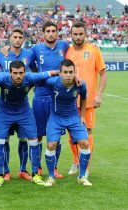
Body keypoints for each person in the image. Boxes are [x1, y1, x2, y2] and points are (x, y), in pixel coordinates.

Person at [1, 21, 69, 178]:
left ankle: (55, 167)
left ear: (57, 33)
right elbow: (24, 62)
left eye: (53, 31)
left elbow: (79, 51)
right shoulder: (35, 50)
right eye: (48, 31)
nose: (51, 33)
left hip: (59, 97)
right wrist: (4, 48)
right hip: (40, 96)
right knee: (37, 134)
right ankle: (37, 167)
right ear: (43, 33)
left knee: (56, 136)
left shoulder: (65, 46)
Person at [0, 60, 58, 187]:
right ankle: (0, 175)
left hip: (24, 112)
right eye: (15, 73)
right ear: (10, 72)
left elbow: (50, 73)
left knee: (34, 141)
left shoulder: (30, 78)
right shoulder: (2, 78)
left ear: (25, 72)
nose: (18, 76)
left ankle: (35, 174)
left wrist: (71, 75)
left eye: (21, 73)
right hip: (4, 112)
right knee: (0, 142)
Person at [66, 22, 107, 176]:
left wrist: (99, 94)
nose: (78, 37)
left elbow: (103, 74)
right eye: (75, 34)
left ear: (85, 34)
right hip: (70, 100)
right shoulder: (67, 51)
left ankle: (86, 168)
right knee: (71, 133)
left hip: (88, 101)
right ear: (71, 34)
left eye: (80, 34)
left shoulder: (94, 50)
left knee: (86, 132)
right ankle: (76, 161)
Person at [43, 59, 92, 187]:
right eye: (65, 72)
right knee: (51, 145)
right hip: (56, 117)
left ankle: (82, 176)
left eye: (71, 72)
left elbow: (84, 98)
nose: (68, 75)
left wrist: (82, 115)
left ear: (75, 72)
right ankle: (51, 177)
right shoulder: (52, 82)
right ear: (60, 73)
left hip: (73, 117)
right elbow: (38, 80)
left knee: (85, 143)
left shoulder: (81, 84)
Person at [0, 27, 37, 181]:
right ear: (10, 38)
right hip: (5, 106)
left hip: (22, 105)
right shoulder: (2, 54)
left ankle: (23, 170)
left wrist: (32, 86)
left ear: (24, 39)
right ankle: (6, 171)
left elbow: (34, 71)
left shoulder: (29, 54)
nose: (18, 39)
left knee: (23, 138)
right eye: (15, 37)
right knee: (4, 139)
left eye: (20, 37)